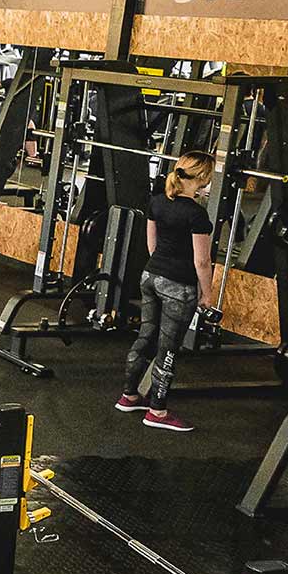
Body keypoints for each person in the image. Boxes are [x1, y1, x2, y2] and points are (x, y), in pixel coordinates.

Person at [116, 150, 216, 431]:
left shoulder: (158, 201)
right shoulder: (197, 214)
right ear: (202, 177)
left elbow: (152, 245)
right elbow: (202, 261)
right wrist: (207, 294)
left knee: (145, 336)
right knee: (168, 348)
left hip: (151, 275)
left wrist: (161, 268)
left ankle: (129, 396)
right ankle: (157, 412)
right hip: (178, 286)